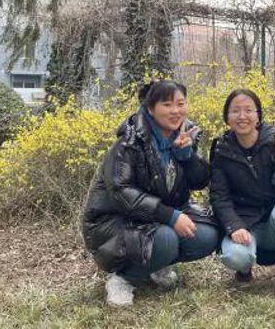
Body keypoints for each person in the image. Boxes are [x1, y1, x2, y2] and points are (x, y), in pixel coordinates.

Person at [82, 80, 219, 306]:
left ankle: (157, 264)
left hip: (154, 219)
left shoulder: (184, 135)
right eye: (167, 104)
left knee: (207, 236)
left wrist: (187, 156)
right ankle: (124, 279)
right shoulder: (129, 143)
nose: (175, 111)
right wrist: (170, 216)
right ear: (150, 108)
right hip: (114, 223)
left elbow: (200, 182)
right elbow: (121, 192)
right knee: (166, 239)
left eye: (180, 104)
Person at [209, 88, 275, 296]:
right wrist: (234, 226)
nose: (242, 116)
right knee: (234, 257)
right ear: (227, 118)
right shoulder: (221, 149)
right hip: (243, 224)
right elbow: (219, 197)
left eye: (248, 110)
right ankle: (244, 267)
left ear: (258, 115)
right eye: (235, 111)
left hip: (272, 223)